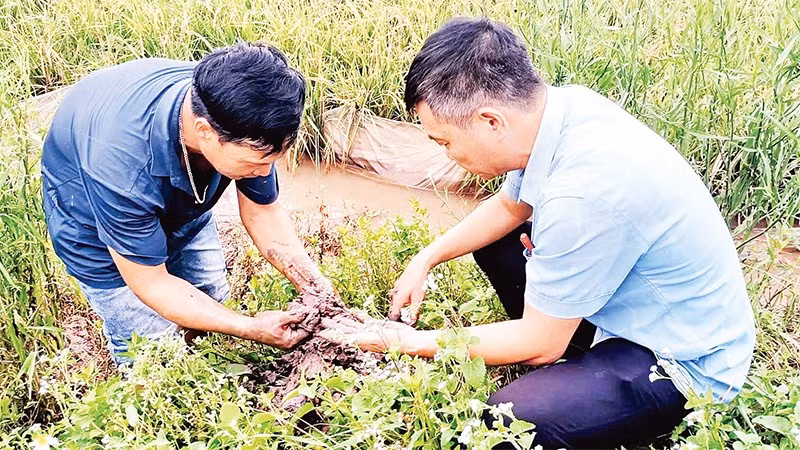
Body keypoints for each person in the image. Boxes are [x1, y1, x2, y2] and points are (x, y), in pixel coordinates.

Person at [323, 18, 756, 449]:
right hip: (627, 306)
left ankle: (606, 391)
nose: (448, 155)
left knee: (506, 425)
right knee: (497, 239)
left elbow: (539, 344)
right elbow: (511, 206)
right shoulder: (560, 111)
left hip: (679, 360)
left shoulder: (585, 191)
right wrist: (426, 258)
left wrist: (406, 342)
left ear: (490, 121)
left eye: (444, 142)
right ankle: (579, 367)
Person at [42, 42, 335, 365]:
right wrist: (250, 328)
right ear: (205, 132)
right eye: (256, 161)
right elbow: (151, 283)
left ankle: (202, 363)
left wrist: (315, 286)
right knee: (150, 350)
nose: (264, 172)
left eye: (273, 159)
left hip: (179, 205)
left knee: (211, 295)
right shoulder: (121, 168)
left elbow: (262, 210)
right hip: (95, 232)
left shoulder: (238, 111)